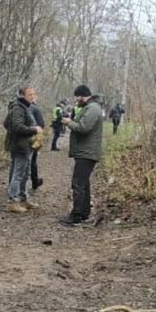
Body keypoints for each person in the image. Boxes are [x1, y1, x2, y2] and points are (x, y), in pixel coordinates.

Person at [60, 84, 105, 226]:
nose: (76, 99)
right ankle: (84, 213)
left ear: (83, 95)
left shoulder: (92, 108)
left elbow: (84, 128)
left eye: (77, 97)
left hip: (87, 152)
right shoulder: (90, 107)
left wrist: (69, 123)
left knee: (78, 184)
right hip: (86, 152)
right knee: (83, 183)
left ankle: (77, 215)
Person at [4, 87, 43, 212]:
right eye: (29, 94)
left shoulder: (24, 107)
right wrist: (34, 129)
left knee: (26, 173)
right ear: (22, 95)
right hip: (20, 147)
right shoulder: (18, 108)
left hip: (25, 146)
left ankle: (23, 199)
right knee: (18, 174)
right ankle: (13, 201)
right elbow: (16, 126)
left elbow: (6, 123)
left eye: (34, 94)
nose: (32, 96)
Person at [29, 98, 46, 190]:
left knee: (16, 163)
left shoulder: (14, 107)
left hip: (15, 141)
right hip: (32, 139)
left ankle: (12, 185)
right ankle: (35, 182)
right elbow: (41, 124)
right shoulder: (35, 108)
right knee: (32, 161)